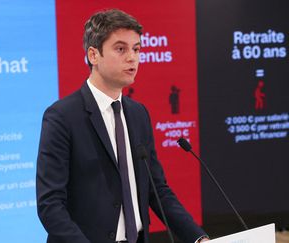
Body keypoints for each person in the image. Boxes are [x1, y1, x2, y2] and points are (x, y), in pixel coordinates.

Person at [36, 9, 209, 243]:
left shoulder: (138, 114)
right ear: (93, 55)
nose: (132, 57)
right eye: (121, 49)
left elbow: (157, 190)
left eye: (136, 49)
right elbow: (50, 205)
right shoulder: (61, 117)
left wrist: (198, 238)